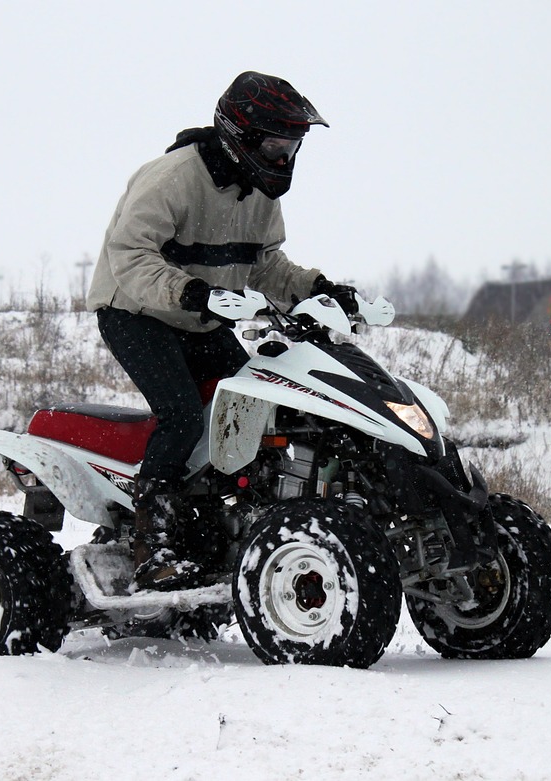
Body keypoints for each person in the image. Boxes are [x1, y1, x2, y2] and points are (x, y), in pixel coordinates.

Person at [86, 71, 359, 591]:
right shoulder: (172, 178)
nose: (284, 155)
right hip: (135, 311)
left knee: (255, 405)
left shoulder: (260, 192)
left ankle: (224, 522)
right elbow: (131, 256)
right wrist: (193, 293)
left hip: (202, 314)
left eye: (291, 145)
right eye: (275, 143)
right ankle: (153, 545)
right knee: (183, 415)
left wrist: (318, 288)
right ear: (240, 135)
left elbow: (265, 265)